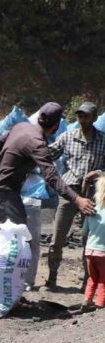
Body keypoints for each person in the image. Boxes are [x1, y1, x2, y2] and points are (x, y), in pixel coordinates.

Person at [0, 102, 95, 228]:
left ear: (39, 117)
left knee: (10, 236)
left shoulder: (21, 126)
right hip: (3, 195)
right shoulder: (37, 144)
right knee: (18, 238)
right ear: (57, 125)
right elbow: (52, 177)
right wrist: (77, 200)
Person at [45, 102, 105, 288]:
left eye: (86, 116)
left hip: (94, 194)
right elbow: (48, 155)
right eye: (80, 116)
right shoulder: (68, 136)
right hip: (70, 192)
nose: (82, 119)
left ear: (94, 118)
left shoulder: (103, 140)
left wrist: (99, 173)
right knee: (58, 237)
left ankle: (88, 281)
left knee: (90, 240)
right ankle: (52, 276)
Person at [82, 175, 105, 309]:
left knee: (92, 278)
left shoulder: (92, 210)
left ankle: (86, 301)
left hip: (90, 250)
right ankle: (100, 305)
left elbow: (84, 232)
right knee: (103, 280)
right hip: (103, 252)